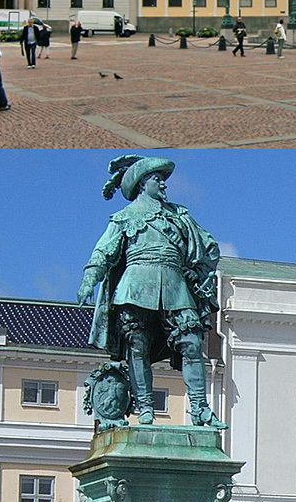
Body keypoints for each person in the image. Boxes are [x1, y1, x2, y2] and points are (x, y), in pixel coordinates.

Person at [78, 155, 225, 428]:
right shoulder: (124, 218)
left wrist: (196, 269)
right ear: (143, 183)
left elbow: (208, 246)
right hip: (136, 285)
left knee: (192, 343)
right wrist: (90, 278)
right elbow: (104, 251)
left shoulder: (179, 215)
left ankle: (200, 408)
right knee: (138, 347)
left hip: (174, 285)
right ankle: (145, 408)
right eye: (158, 179)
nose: (164, 185)